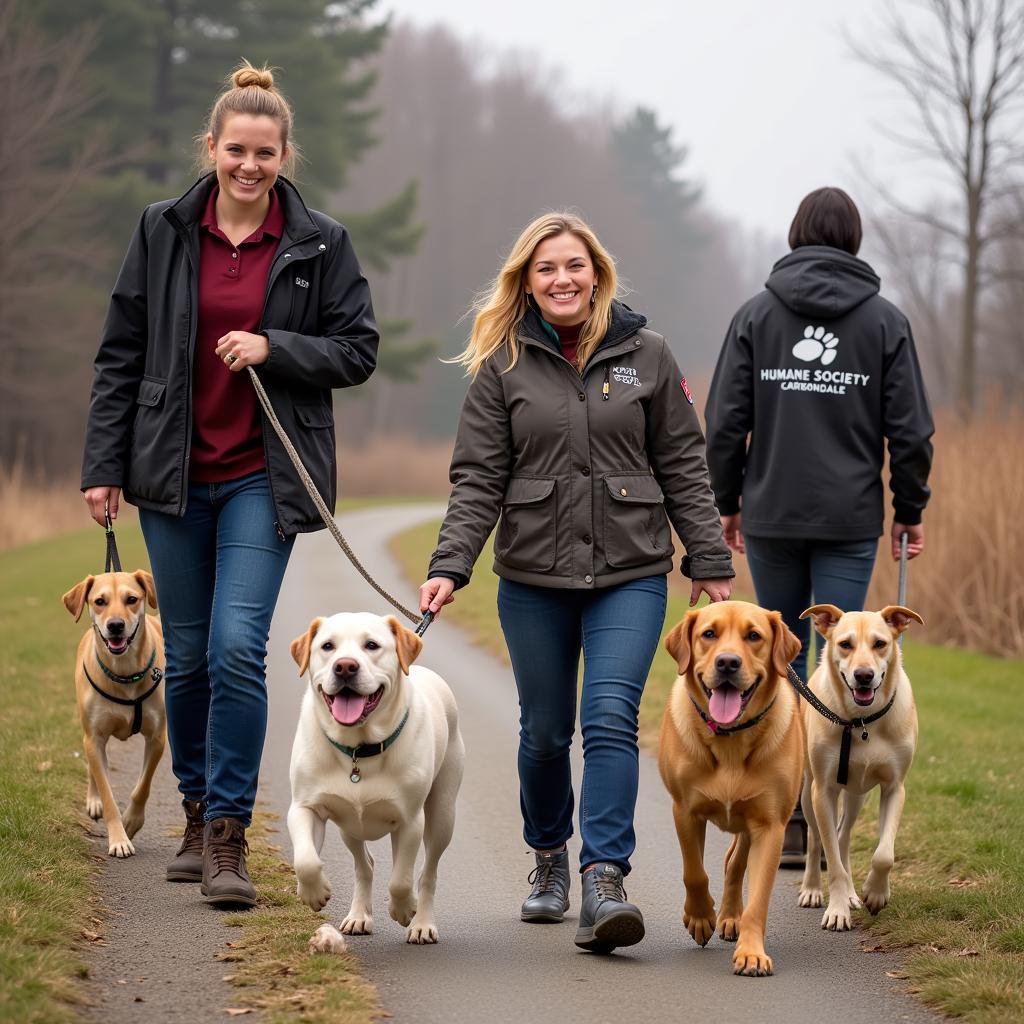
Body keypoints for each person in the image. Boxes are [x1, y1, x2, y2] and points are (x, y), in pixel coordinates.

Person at [80, 62, 379, 907]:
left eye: (266, 152)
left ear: (287, 155)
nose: (250, 165)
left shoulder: (322, 242)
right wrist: (102, 465)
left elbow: (357, 349)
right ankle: (196, 806)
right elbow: (119, 353)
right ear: (211, 148)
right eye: (236, 150)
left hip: (264, 475)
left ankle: (228, 839)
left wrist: (273, 346)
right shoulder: (162, 229)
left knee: (238, 646)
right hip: (170, 476)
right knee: (192, 657)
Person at [419, 212, 733, 952]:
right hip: (533, 575)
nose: (563, 279)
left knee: (610, 720)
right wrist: (448, 565)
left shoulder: (647, 355)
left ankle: (604, 878)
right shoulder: (501, 363)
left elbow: (684, 463)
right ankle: (549, 859)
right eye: (546, 269)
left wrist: (710, 561)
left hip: (631, 572)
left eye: (575, 265)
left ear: (597, 273)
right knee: (544, 732)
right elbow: (477, 480)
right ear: (526, 282)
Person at [704, 186, 933, 867]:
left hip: (771, 510)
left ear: (796, 234)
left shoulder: (755, 316)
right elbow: (912, 432)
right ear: (855, 240)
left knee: (784, 658)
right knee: (836, 657)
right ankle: (805, 805)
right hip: (849, 516)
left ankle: (792, 814)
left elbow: (723, 423)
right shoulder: (885, 324)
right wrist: (910, 509)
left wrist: (728, 501)